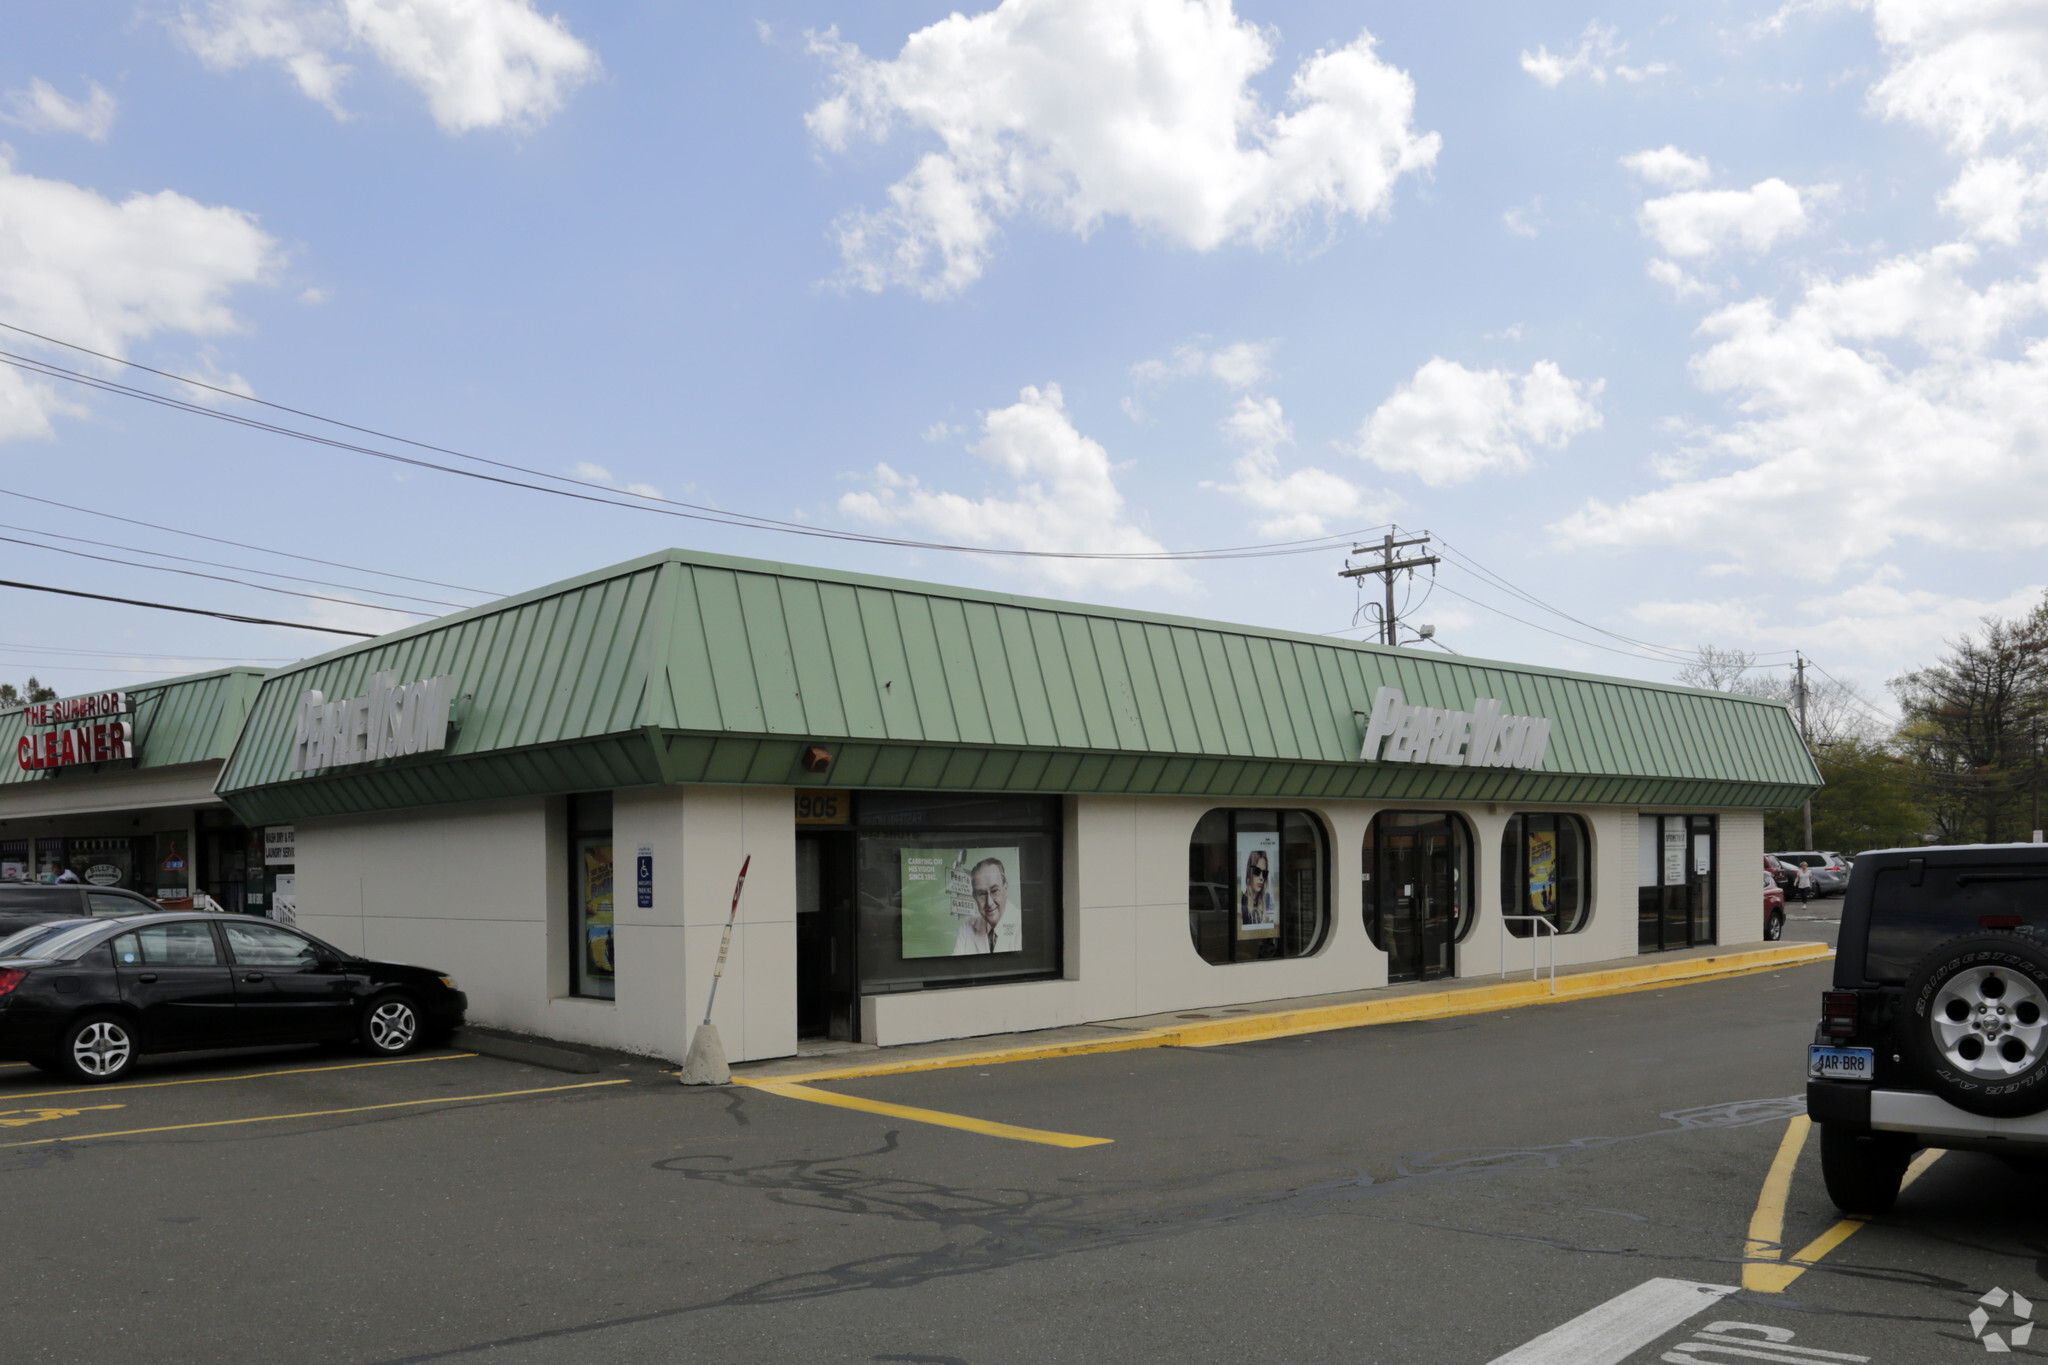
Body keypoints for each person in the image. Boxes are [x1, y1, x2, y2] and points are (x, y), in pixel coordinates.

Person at [952, 857, 1011, 954]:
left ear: (1005, 887)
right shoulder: (966, 927)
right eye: (982, 894)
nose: (989, 903)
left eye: (995, 890)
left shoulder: (1021, 924)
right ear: (974, 897)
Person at [1239, 850, 1276, 928]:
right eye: (1257, 871)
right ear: (1249, 872)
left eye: (1265, 873)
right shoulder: (1242, 901)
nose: (1261, 877)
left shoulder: (1267, 899)